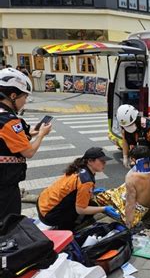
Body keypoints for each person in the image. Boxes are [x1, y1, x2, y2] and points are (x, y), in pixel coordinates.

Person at [0, 68, 51, 220]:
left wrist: (34, 131)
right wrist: (41, 135)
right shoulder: (9, 121)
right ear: (13, 95)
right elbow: (28, 152)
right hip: (5, 186)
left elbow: (9, 140)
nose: (25, 101)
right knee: (8, 224)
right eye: (24, 97)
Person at [95, 146, 150, 228]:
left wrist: (129, 224)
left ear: (133, 159)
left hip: (140, 213)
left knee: (103, 196)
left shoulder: (132, 178)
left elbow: (130, 204)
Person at [37, 148, 120, 230]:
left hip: (42, 203)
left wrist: (92, 191)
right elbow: (80, 210)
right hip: (48, 215)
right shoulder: (86, 180)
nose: (104, 163)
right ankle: (67, 229)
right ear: (90, 161)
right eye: (101, 161)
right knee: (92, 206)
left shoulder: (79, 168)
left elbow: (73, 190)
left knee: (89, 203)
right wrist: (104, 209)